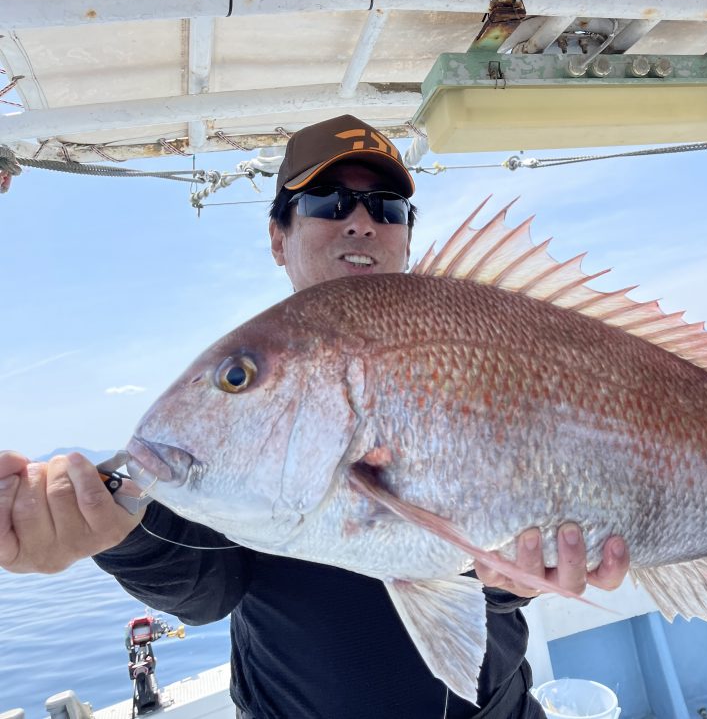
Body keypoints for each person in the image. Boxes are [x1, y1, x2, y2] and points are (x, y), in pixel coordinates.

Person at [0, 115, 630, 718]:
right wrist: (114, 532)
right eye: (329, 201)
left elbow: (486, 580)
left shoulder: (489, 340)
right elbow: (208, 588)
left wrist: (511, 582)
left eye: (385, 207)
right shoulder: (255, 397)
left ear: (405, 235)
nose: (360, 222)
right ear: (279, 237)